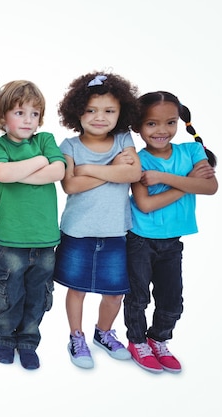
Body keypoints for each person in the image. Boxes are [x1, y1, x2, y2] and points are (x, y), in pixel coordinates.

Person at [124, 91, 218, 373]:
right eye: (152, 124)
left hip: (171, 243)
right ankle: (137, 342)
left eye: (170, 123)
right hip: (140, 239)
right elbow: (145, 203)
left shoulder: (191, 151)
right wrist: (187, 183)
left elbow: (210, 188)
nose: (162, 130)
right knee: (138, 297)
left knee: (172, 301)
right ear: (138, 126)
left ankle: (158, 339)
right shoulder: (137, 160)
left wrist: (164, 178)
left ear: (180, 122)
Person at [54, 72, 142, 369]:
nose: (99, 117)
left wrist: (88, 170)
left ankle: (103, 333)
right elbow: (69, 185)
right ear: (77, 111)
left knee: (115, 292)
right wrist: (111, 167)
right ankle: (76, 336)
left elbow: (132, 174)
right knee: (76, 289)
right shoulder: (69, 145)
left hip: (116, 230)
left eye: (109, 111)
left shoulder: (123, 139)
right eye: (91, 110)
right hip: (78, 230)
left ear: (121, 113)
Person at [0, 80, 66, 370]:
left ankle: (28, 341)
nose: (28, 120)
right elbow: (2, 173)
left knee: (38, 295)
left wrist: (25, 169)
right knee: (8, 294)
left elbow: (58, 170)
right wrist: (39, 163)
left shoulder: (45, 140)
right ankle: (6, 339)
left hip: (45, 239)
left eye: (34, 113)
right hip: (11, 238)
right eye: (20, 113)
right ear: (2, 116)